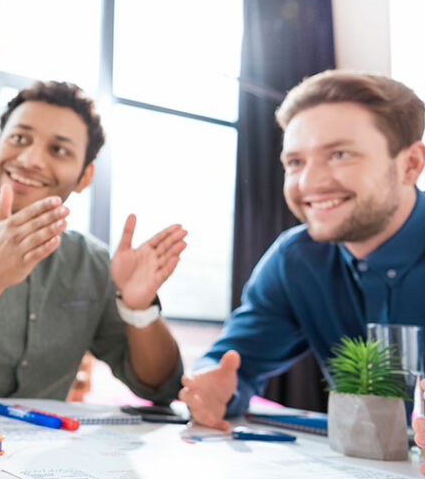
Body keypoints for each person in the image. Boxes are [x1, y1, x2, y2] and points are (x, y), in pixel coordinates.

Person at [0, 81, 187, 403]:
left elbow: (161, 386)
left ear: (85, 177)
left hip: (46, 449)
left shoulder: (93, 262)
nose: (29, 159)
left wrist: (140, 309)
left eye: (59, 150)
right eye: (18, 138)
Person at [180, 70, 425, 431]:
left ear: (410, 164)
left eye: (340, 154)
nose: (309, 183)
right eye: (295, 162)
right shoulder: (295, 261)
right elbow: (234, 364)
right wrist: (211, 388)